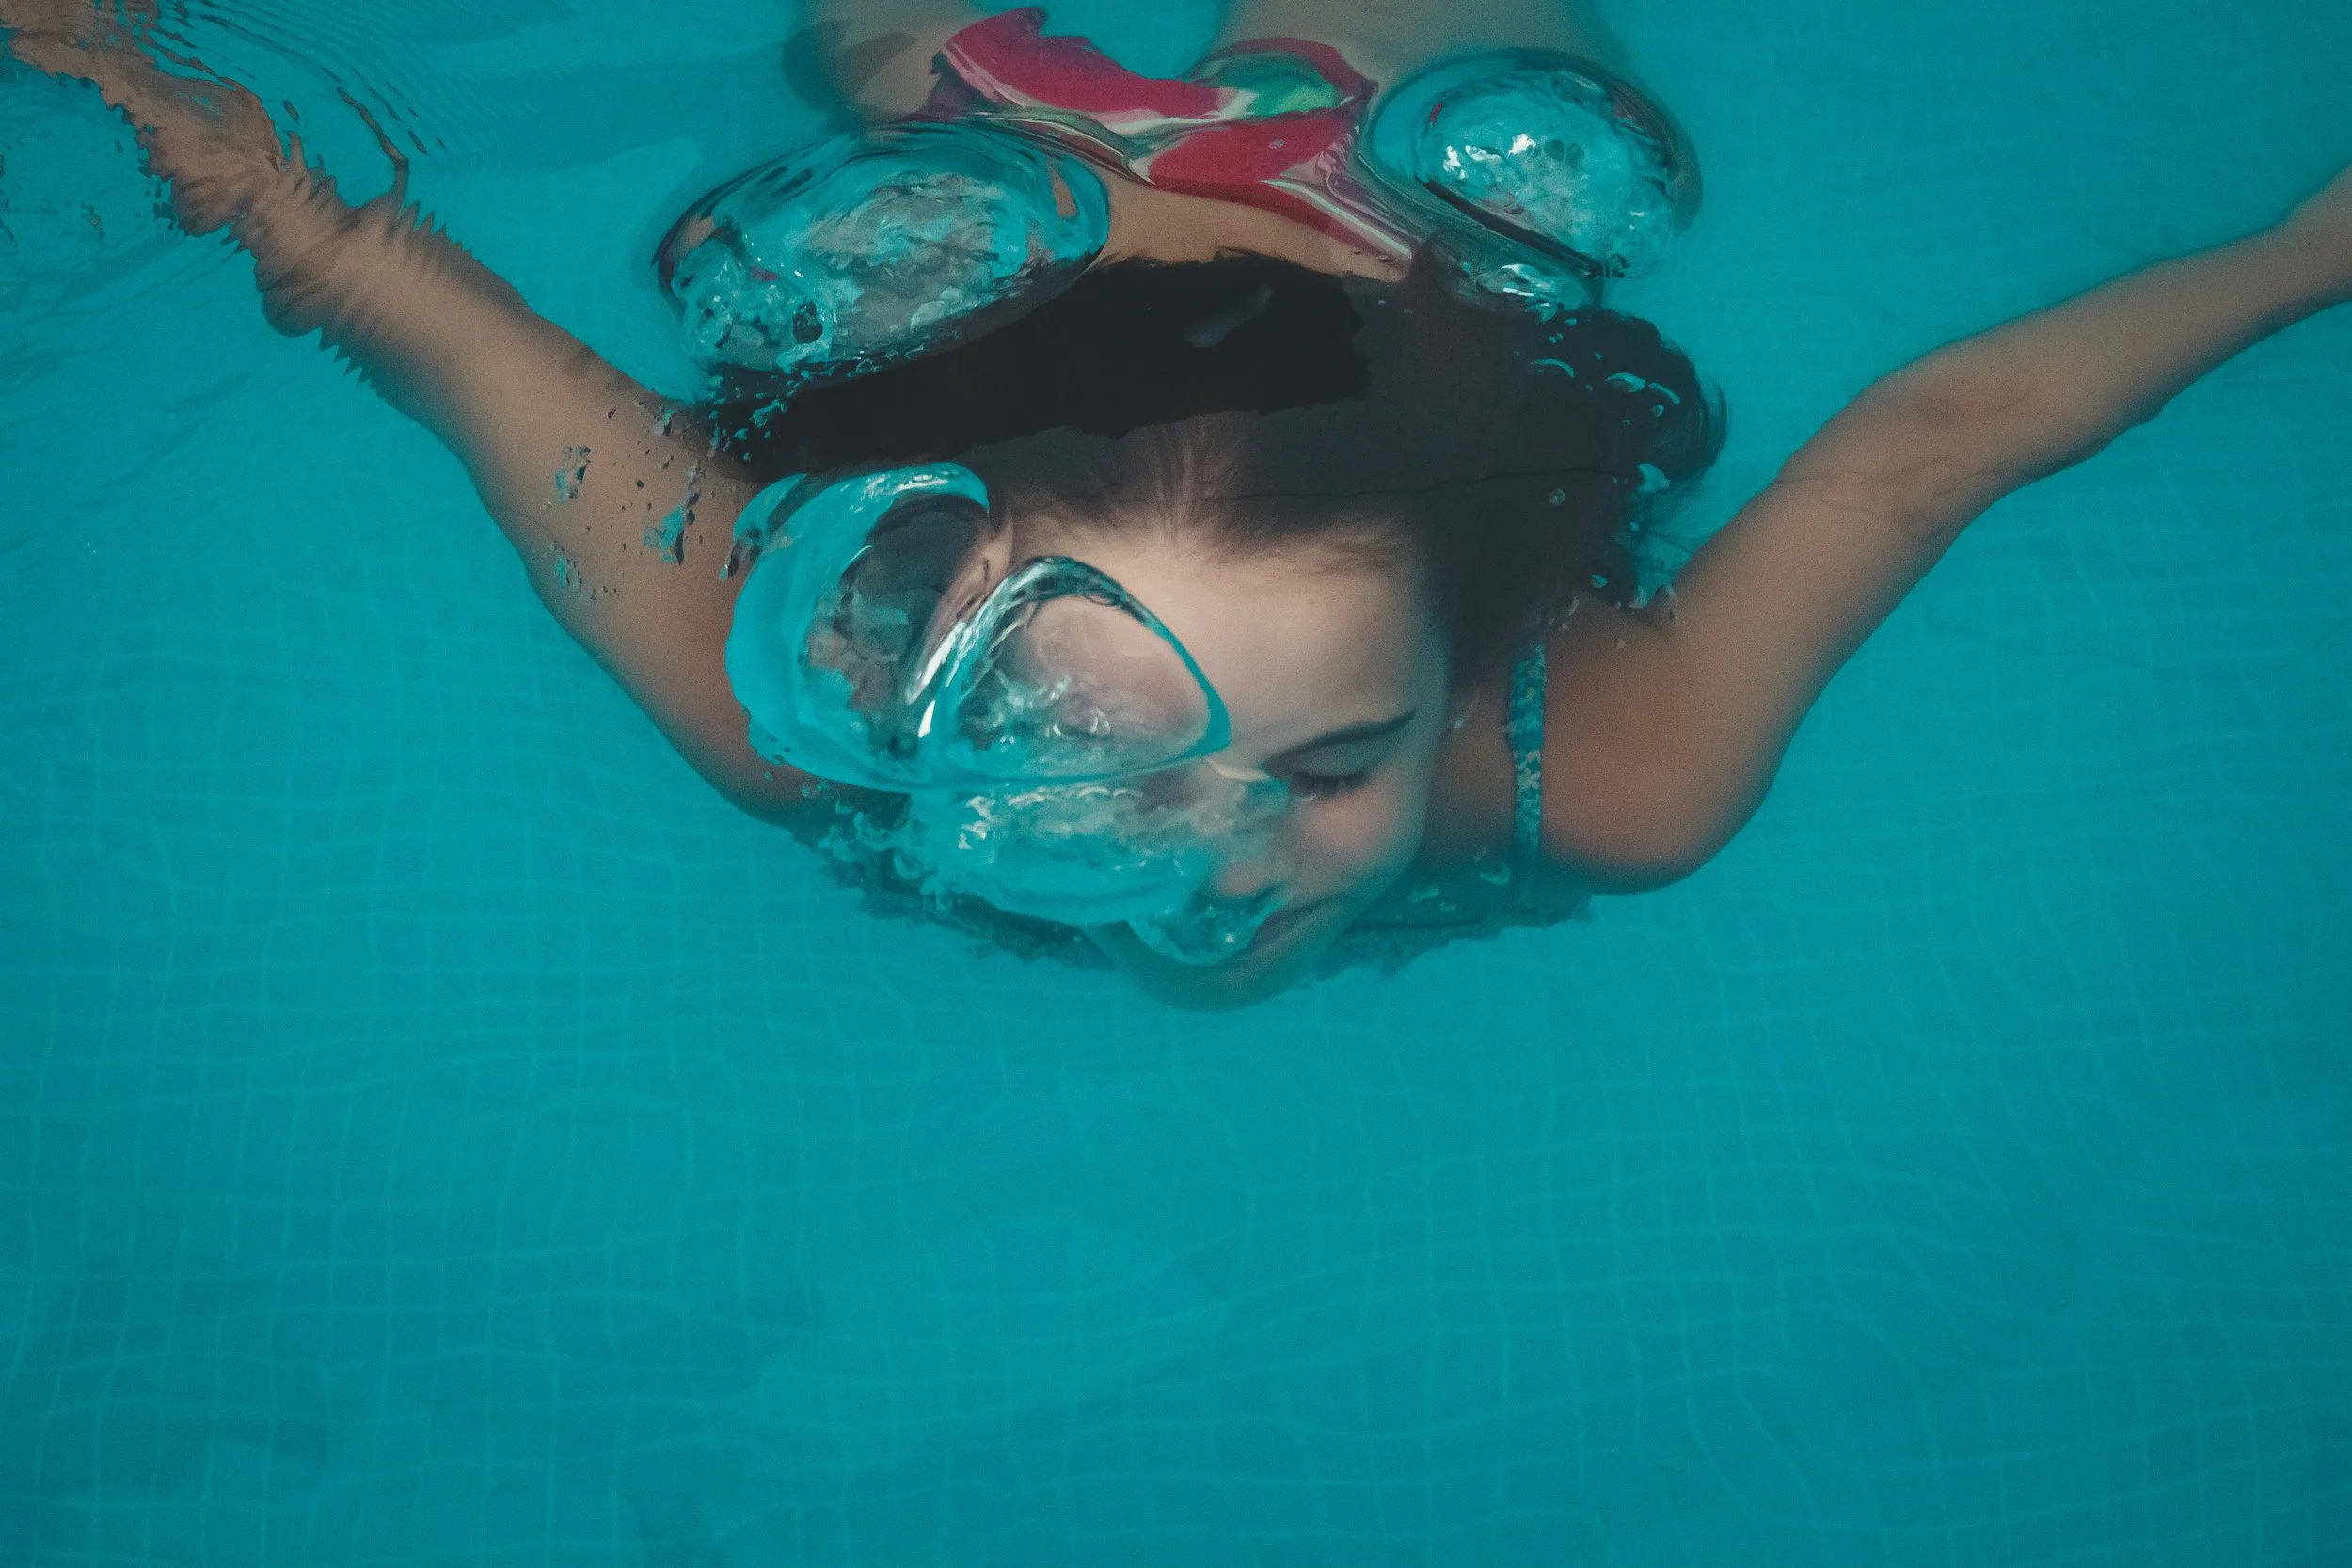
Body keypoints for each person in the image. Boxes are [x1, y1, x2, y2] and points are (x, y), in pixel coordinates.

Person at [3, 0, 2344, 1008]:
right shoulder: (834, 684)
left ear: (1469, 665)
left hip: (1246, 191)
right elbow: (1926, 429)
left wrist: (2301, 248)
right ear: (931, 636)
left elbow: (387, 289)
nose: (1229, 852)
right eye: (1118, 749)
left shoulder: (1604, 750)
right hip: (1154, 219)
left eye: (1331, 762)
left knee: (890, 105)